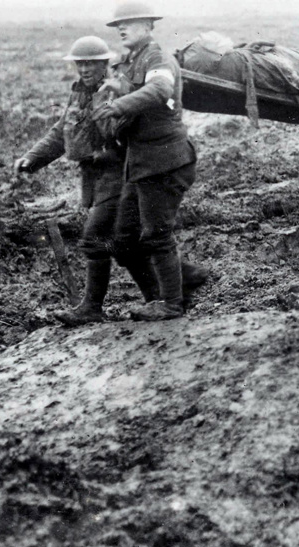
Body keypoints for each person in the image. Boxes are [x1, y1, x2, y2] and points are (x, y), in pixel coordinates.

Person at [14, 36, 207, 326]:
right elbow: (63, 131)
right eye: (80, 64)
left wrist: (112, 105)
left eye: (91, 63)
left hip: (121, 174)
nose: (85, 69)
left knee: (96, 238)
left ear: (105, 63)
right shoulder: (81, 92)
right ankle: (168, 289)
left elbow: (124, 125)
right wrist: (34, 157)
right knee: (122, 244)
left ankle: (93, 307)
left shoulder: (116, 89)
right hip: (99, 177)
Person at [93, 1, 199, 321]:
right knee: (123, 241)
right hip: (141, 164)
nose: (122, 28)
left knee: (156, 234)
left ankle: (173, 303)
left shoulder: (156, 57)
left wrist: (119, 105)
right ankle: (165, 294)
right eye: (118, 25)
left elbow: (161, 87)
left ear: (148, 26)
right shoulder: (130, 62)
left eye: (129, 23)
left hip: (165, 162)